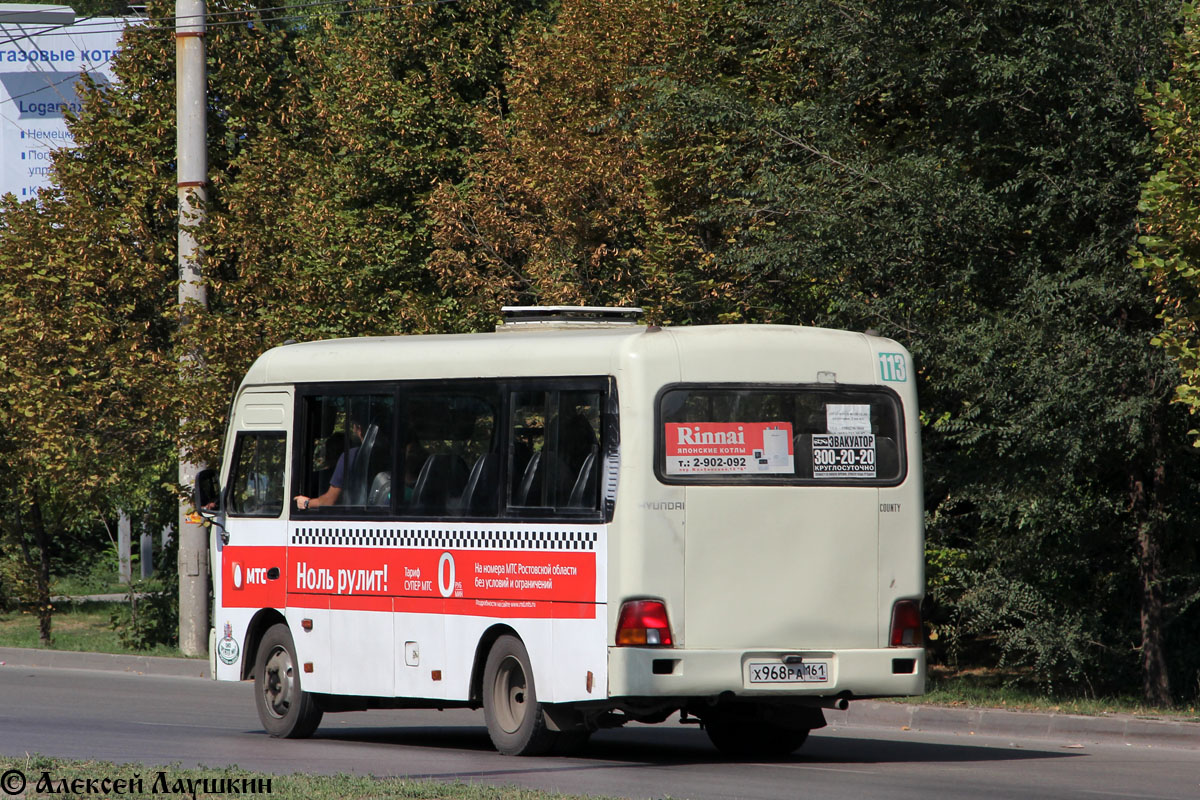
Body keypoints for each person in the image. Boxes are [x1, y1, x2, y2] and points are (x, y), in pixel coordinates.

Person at [294, 415, 365, 510]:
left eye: (331, 451)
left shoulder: (350, 457)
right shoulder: (382, 454)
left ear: (358, 428)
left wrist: (306, 503)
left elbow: (329, 501)